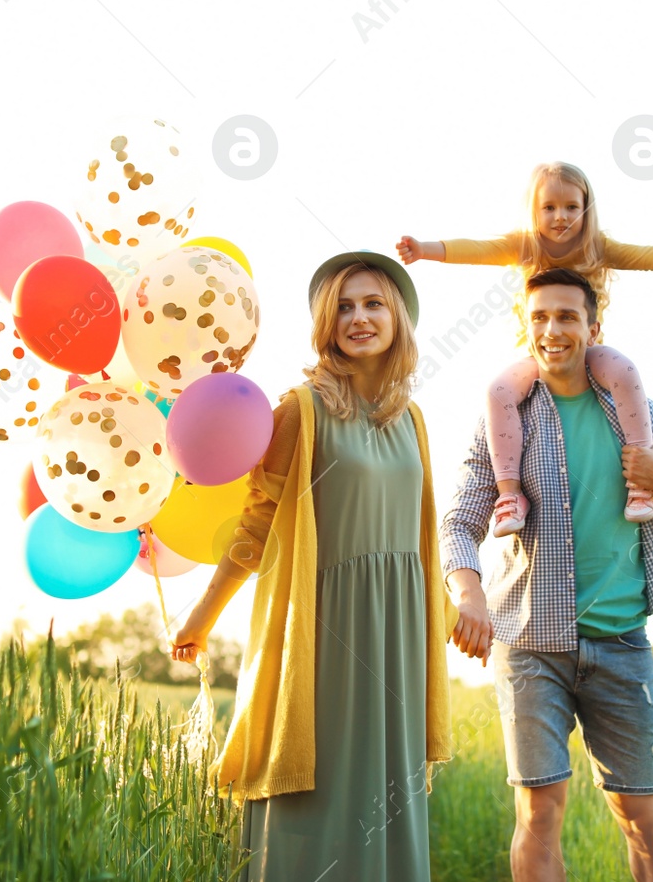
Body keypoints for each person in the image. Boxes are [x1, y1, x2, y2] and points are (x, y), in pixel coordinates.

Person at [170, 250, 458, 881]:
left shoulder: (413, 420)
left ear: (399, 317)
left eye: (373, 303)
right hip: (327, 629)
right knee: (320, 787)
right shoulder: (300, 410)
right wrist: (202, 614)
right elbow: (256, 525)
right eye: (343, 308)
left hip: (400, 631)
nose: (359, 318)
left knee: (388, 792)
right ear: (326, 326)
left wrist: (450, 607)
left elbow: (422, 535)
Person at [439, 267, 653, 882]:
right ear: (524, 326)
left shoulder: (638, 413)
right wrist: (470, 594)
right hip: (531, 646)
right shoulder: (504, 419)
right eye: (539, 317)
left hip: (622, 643)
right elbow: (458, 523)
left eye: (566, 316)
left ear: (594, 327)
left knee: (641, 814)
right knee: (538, 811)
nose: (552, 329)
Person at [397, 160, 653, 535]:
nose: (561, 217)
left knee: (623, 371)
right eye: (549, 207)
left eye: (572, 207)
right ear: (535, 210)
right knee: (499, 390)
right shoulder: (524, 245)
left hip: (588, 354)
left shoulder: (598, 248)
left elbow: (650, 256)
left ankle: (641, 480)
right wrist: (424, 249)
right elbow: (477, 248)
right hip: (541, 355)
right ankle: (510, 494)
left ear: (586, 210)